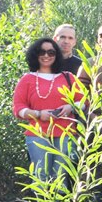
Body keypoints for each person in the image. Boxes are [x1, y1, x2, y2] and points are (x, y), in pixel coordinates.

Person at [12, 38, 79, 182]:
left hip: (65, 133)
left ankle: (59, 199)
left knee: (60, 177)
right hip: (38, 135)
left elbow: (84, 101)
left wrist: (71, 106)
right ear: (35, 54)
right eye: (41, 52)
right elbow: (18, 108)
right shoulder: (27, 79)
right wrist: (38, 114)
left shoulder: (68, 77)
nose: (46, 55)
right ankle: (41, 199)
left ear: (57, 55)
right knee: (40, 176)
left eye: (51, 52)